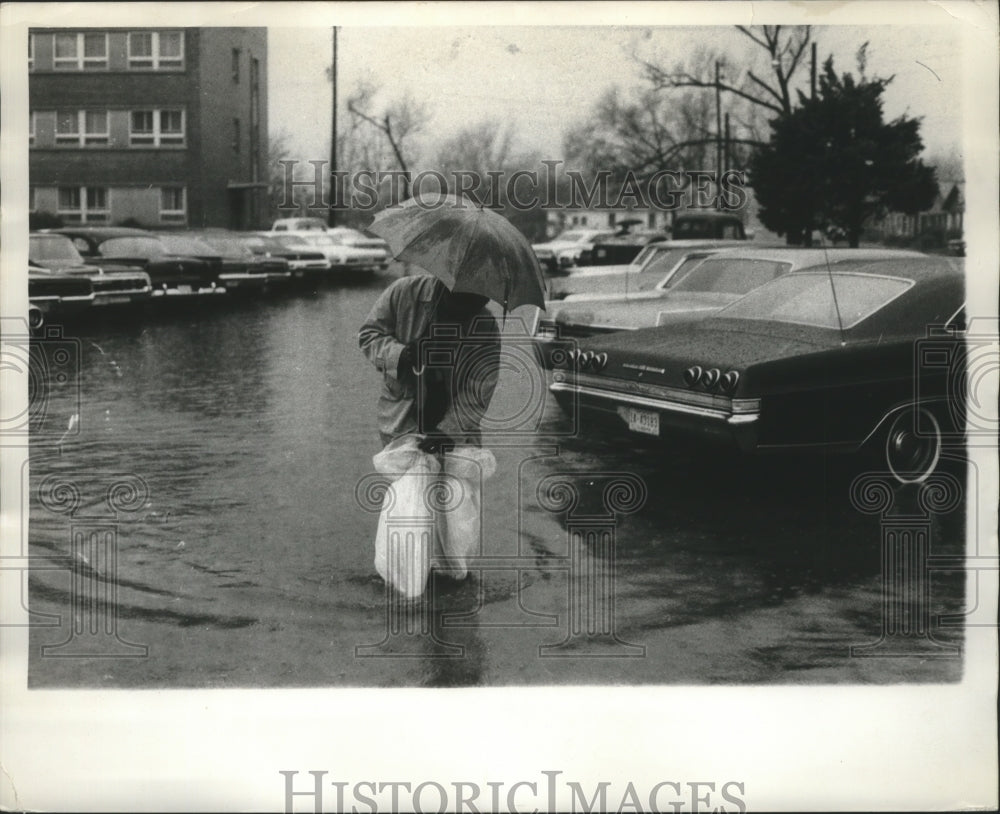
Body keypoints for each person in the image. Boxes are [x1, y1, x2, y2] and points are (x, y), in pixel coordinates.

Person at [358, 274, 501, 451]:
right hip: (400, 421)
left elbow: (479, 388)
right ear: (445, 286)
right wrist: (401, 354)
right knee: (408, 477)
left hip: (455, 431)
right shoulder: (403, 291)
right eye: (458, 307)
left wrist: (448, 431)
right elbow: (369, 336)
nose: (463, 316)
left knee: (457, 477)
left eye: (473, 309)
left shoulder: (486, 325)